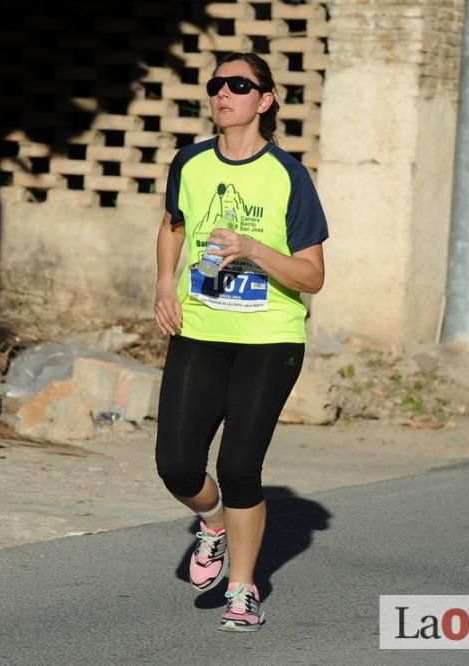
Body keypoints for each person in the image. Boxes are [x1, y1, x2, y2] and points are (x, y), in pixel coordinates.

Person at [153, 52, 329, 632]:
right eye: (215, 85)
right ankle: (213, 525)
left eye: (238, 84)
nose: (222, 93)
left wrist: (252, 249)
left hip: (268, 339)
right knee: (177, 466)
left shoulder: (288, 176)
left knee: (239, 467)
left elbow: (311, 276)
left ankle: (243, 589)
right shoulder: (192, 162)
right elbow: (173, 225)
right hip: (200, 330)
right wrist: (163, 285)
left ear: (264, 100)